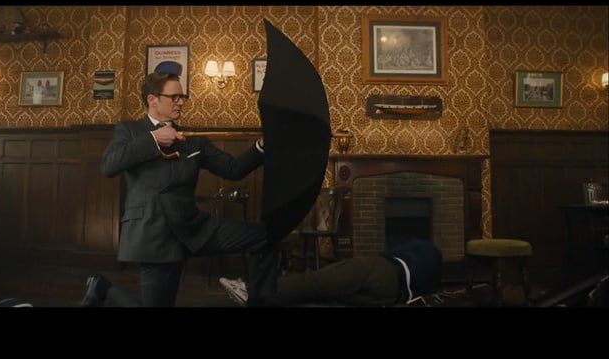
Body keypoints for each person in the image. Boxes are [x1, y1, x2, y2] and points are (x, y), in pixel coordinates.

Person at [97, 61, 279, 307]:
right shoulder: (129, 131)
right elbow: (108, 166)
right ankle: (103, 289)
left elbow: (233, 169)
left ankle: (253, 298)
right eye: (174, 97)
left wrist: (262, 147)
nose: (181, 102)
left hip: (194, 228)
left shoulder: (193, 142)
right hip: (154, 231)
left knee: (263, 237)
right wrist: (152, 138)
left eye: (182, 97)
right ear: (152, 100)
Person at [218, 239, 443, 307]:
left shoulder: (423, 246)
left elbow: (389, 253)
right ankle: (261, 299)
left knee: (317, 282)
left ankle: (251, 292)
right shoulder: (433, 272)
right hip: (391, 295)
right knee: (326, 298)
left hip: (381, 269)